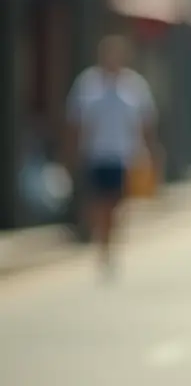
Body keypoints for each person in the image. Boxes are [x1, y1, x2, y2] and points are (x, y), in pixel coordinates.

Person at [65, 34, 160, 278]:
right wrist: (72, 152)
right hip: (95, 154)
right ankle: (101, 245)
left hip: (123, 155)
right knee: (98, 202)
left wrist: (150, 151)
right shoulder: (88, 84)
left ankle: (109, 243)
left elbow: (145, 122)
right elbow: (75, 121)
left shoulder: (134, 86)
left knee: (116, 204)